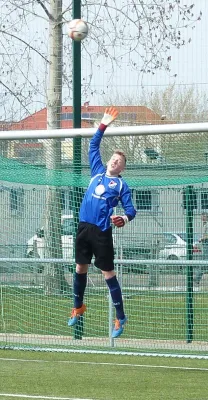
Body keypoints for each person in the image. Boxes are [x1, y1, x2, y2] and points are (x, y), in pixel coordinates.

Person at [68, 107, 137, 338]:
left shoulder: (121, 186)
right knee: (80, 268)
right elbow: (93, 146)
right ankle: (78, 307)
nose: (114, 162)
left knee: (108, 273)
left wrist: (123, 218)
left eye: (119, 162)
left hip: (101, 232)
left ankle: (120, 316)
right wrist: (103, 124)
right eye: (113, 159)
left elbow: (131, 210)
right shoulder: (97, 172)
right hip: (83, 227)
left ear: (122, 168)